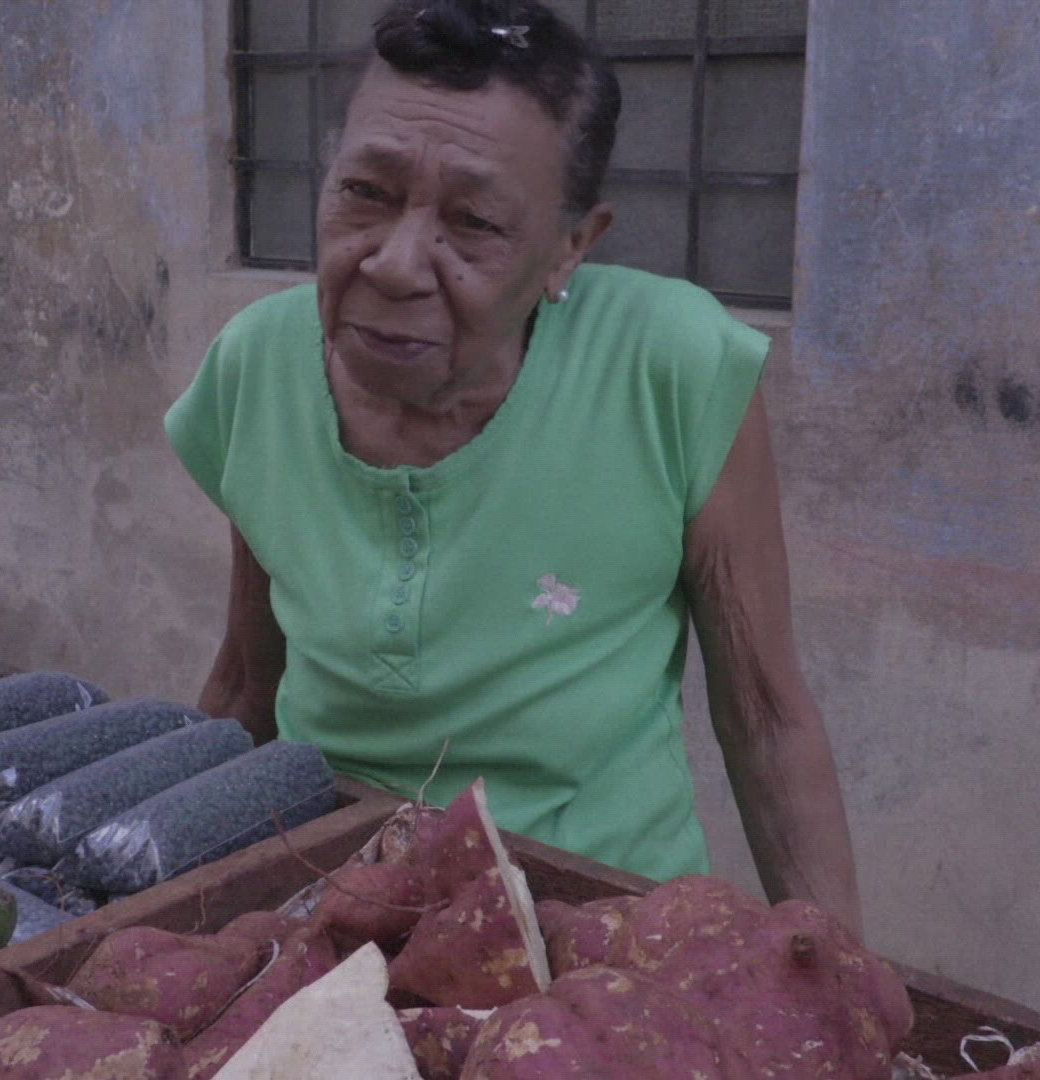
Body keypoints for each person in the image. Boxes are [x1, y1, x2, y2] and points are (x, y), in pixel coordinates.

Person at [166, 0, 861, 936]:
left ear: (571, 246)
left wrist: (836, 979)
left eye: (474, 221)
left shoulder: (671, 368)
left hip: (602, 931)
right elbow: (249, 682)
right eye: (365, 191)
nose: (396, 264)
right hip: (332, 911)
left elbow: (770, 721)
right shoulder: (256, 365)